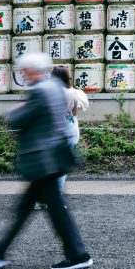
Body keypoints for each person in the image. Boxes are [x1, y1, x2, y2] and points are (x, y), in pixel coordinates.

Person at [0, 52, 93, 269]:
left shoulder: (41, 91)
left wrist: (13, 112)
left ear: (32, 70)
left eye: (24, 71)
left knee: (53, 210)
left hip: (42, 158)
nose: (23, 75)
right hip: (51, 155)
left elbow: (20, 120)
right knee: (28, 208)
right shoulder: (54, 87)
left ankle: (78, 255)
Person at [51, 65, 88, 194]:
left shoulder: (49, 92)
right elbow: (75, 113)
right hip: (70, 130)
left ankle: (49, 197)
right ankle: (56, 197)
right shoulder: (73, 93)